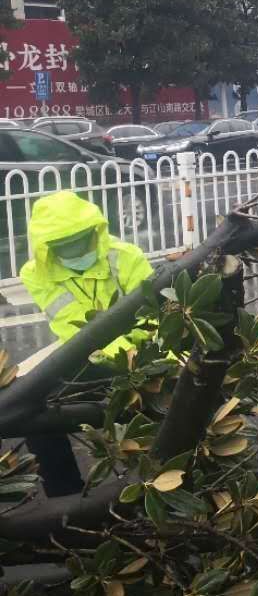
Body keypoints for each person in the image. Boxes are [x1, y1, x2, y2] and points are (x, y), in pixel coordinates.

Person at [18, 191, 153, 495]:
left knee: (169, 412)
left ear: (96, 231)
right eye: (64, 247)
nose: (75, 250)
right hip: (89, 361)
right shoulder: (35, 274)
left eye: (80, 241)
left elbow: (153, 320)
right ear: (46, 249)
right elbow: (73, 327)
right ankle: (65, 495)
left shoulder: (126, 256)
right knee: (34, 412)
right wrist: (122, 357)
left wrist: (140, 361)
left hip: (146, 358)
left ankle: (160, 487)